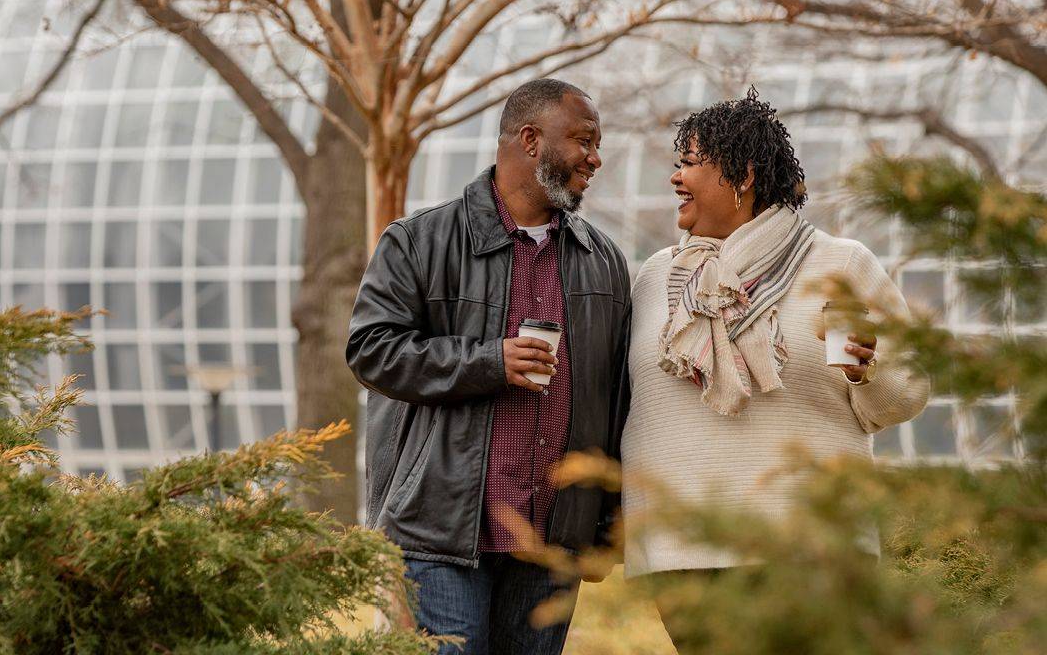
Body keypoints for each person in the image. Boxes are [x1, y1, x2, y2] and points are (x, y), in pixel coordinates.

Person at [621, 87, 929, 647]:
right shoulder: (656, 277)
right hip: (682, 551)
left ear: (743, 176)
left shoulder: (840, 263)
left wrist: (867, 370)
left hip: (810, 551)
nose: (674, 178)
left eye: (689, 164)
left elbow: (905, 395)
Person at [348, 78, 632, 655]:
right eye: (583, 140)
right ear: (530, 139)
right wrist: (488, 361)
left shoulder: (603, 261)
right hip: (440, 531)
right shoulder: (417, 241)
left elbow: (617, 402)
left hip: (552, 543)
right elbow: (372, 350)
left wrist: (604, 528)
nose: (595, 159)